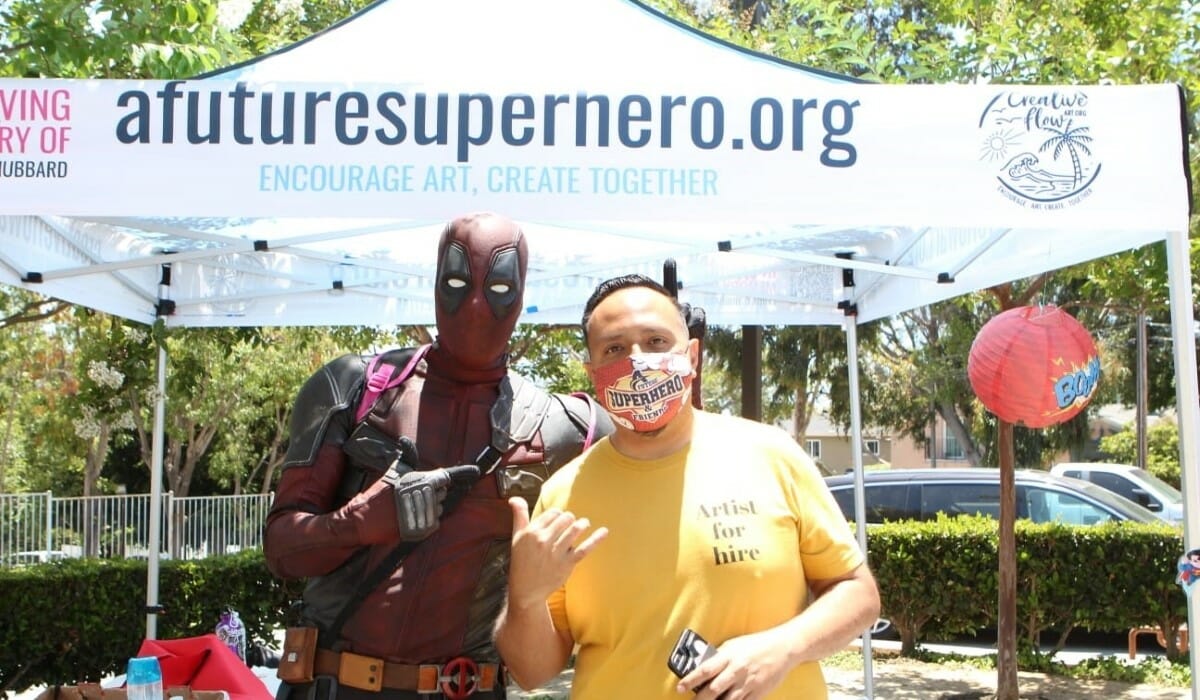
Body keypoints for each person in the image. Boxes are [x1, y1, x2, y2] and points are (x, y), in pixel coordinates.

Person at [264, 212, 610, 700]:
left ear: (521, 292)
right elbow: (281, 548)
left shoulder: (563, 426)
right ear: (433, 283)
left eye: (498, 288)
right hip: (335, 686)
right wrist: (360, 522)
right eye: (456, 281)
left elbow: (668, 481)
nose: (473, 305)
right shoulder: (355, 388)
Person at [494, 274, 880, 700]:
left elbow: (858, 593)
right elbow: (532, 672)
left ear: (692, 356)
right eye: (615, 349)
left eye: (656, 341)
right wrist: (524, 598)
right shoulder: (563, 495)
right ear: (593, 373)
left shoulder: (771, 454)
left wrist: (783, 649)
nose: (638, 361)